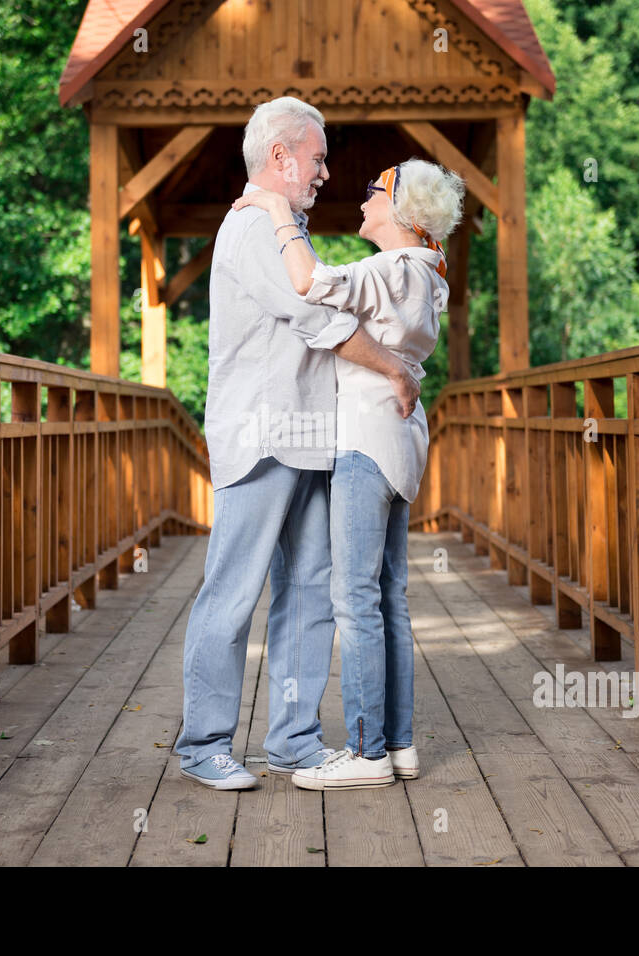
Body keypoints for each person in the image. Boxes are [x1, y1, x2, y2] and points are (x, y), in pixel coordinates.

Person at [175, 98, 422, 790]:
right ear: (281, 157)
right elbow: (317, 317)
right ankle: (202, 745)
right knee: (233, 592)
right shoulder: (255, 225)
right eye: (315, 158)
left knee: (310, 593)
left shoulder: (289, 230)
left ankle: (292, 740)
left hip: (312, 438)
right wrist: (395, 368)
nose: (324, 171)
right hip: (262, 436)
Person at [232, 158, 465, 789]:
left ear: (403, 212)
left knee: (354, 598)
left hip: (364, 442)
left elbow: (307, 281)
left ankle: (366, 754)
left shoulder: (389, 269)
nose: (362, 198)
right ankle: (400, 744)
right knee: (390, 596)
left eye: (374, 191)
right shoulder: (426, 276)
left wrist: (275, 210)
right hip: (399, 442)